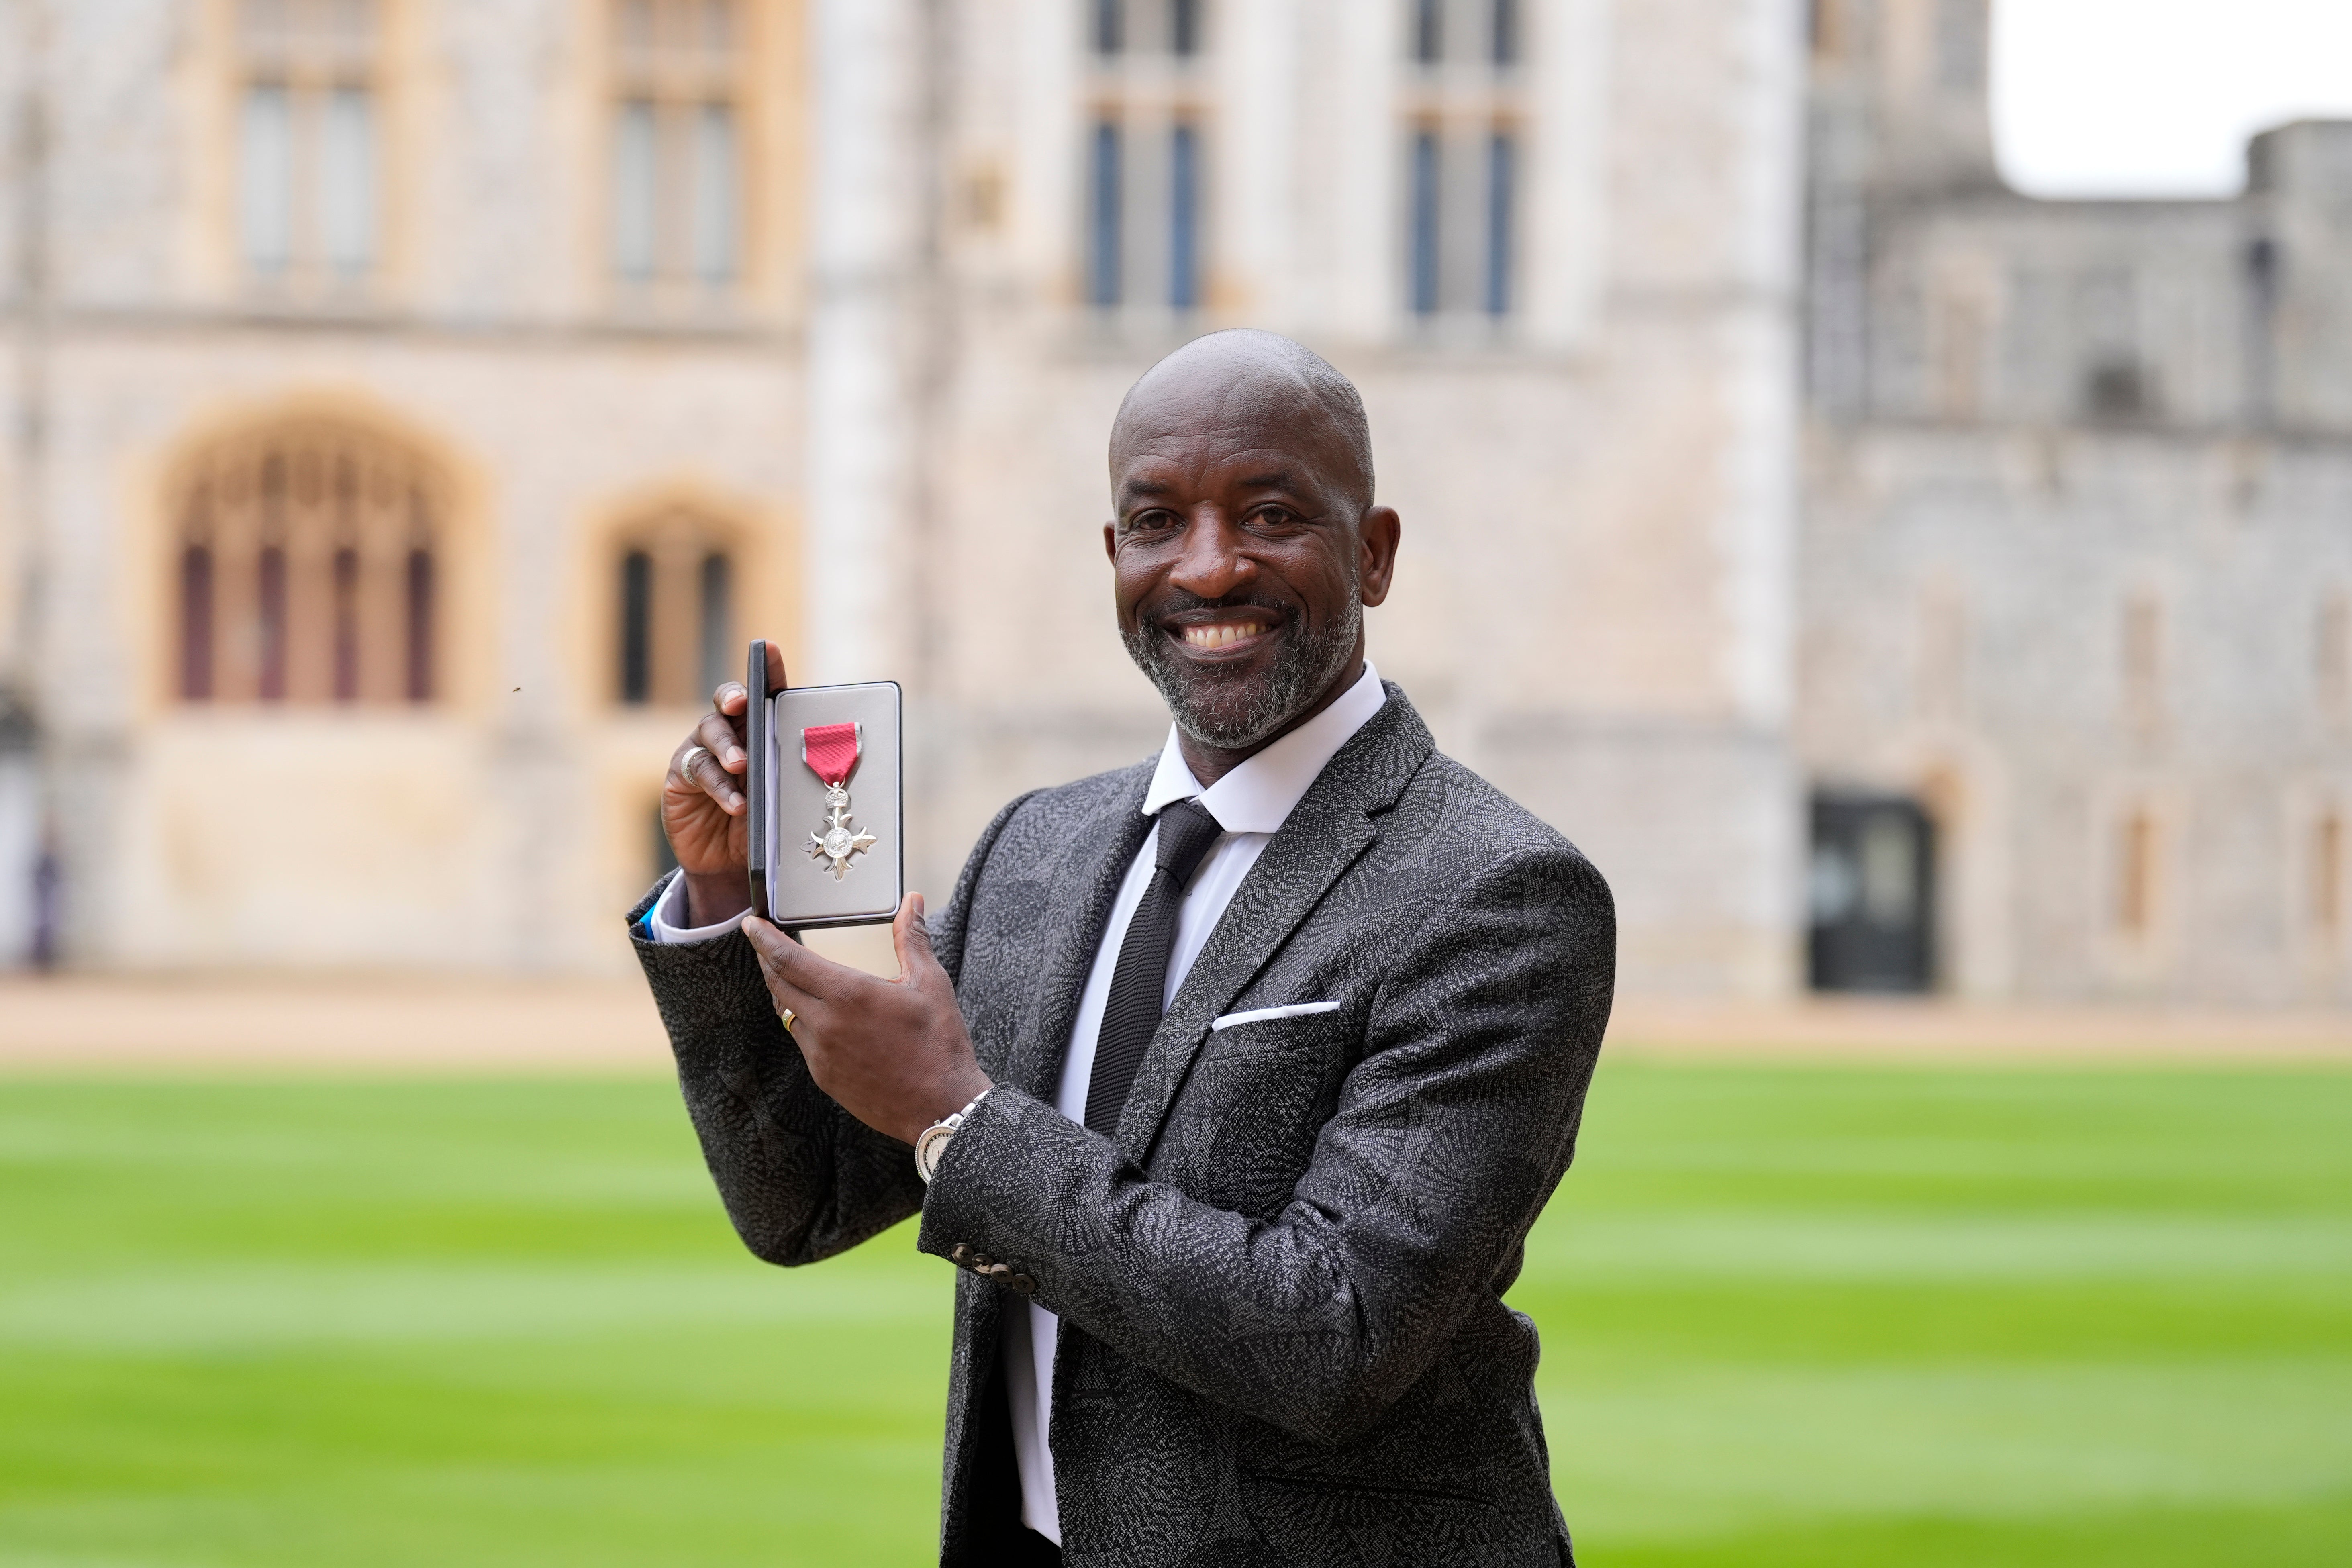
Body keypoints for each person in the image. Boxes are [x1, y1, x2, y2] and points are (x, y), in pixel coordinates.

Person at [632, 330, 1615, 1566]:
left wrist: (958, 1123)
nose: (1208, 569)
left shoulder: (1498, 894)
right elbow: (804, 1202)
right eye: (1157, 522)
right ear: (1115, 556)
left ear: (1373, 555)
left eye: (1269, 514)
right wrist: (721, 900)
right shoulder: (1034, 850)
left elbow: (1337, 1337)